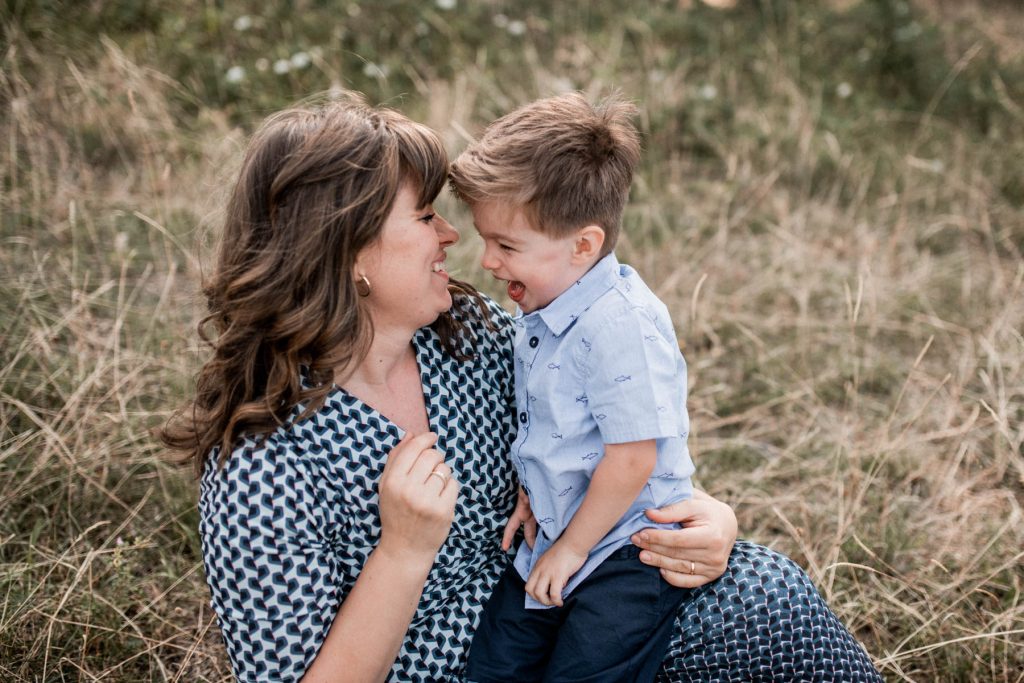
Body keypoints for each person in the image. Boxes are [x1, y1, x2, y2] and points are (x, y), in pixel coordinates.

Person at [160, 93, 883, 682]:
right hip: (468, 664)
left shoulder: (467, 337)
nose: (450, 236)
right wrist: (403, 551)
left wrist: (707, 518)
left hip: (576, 606)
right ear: (348, 254)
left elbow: (602, 439)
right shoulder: (261, 463)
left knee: (763, 592)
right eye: (423, 216)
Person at [450, 93, 695, 682]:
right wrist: (539, 490)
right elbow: (559, 424)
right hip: (558, 529)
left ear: (583, 245)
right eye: (485, 239)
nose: (487, 261)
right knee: (492, 667)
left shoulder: (618, 323)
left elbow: (633, 455)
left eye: (507, 246)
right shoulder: (547, 305)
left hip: (627, 549)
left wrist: (571, 548)